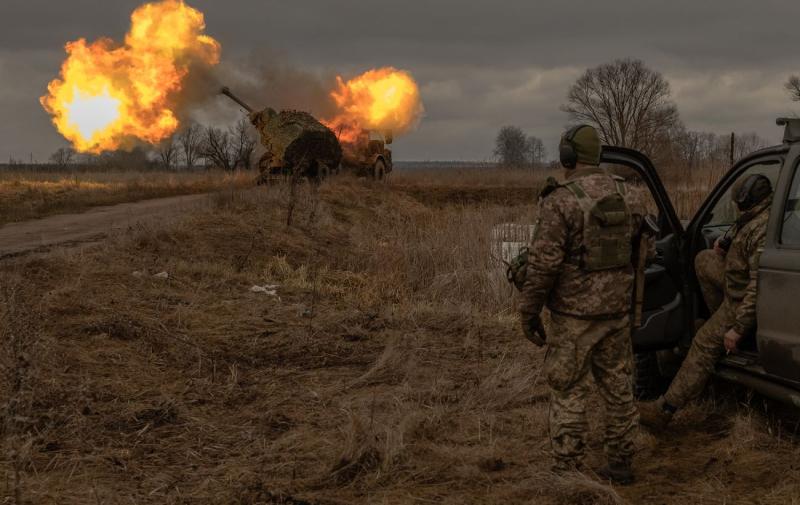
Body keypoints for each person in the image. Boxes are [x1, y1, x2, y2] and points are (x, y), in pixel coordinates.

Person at [519, 124, 651, 485]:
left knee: (568, 390)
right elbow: (642, 252)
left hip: (573, 318)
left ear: (568, 155)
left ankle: (568, 470)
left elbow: (543, 264)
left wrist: (528, 311)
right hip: (616, 313)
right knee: (618, 389)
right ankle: (621, 463)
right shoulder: (632, 195)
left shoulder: (560, 199)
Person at [639, 174, 773, 429]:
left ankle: (665, 409)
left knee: (702, 342)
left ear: (746, 200)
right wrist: (724, 242)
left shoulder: (762, 231)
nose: (737, 206)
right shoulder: (757, 216)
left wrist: (738, 327)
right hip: (736, 282)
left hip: (742, 299)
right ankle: (719, 321)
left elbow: (758, 287)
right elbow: (741, 226)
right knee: (703, 259)